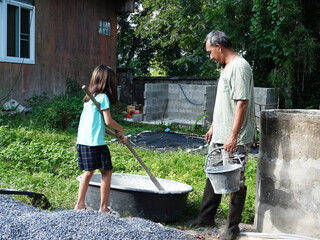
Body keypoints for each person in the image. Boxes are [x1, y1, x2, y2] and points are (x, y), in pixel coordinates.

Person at [192, 30, 255, 240]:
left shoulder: (239, 66)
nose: (210, 56)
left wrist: (233, 135)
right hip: (221, 133)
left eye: (211, 51)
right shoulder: (227, 67)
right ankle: (205, 217)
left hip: (233, 137)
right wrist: (213, 126)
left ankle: (232, 228)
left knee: (235, 180)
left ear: (219, 47)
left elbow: (242, 103)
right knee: (214, 173)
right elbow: (225, 103)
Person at [74, 65, 127, 215]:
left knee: (88, 172)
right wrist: (120, 129)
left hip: (84, 141)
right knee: (106, 172)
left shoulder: (89, 98)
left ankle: (79, 204)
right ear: (109, 82)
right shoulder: (103, 97)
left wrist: (116, 135)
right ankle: (103, 208)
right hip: (95, 144)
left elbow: (98, 127)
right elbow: (108, 121)